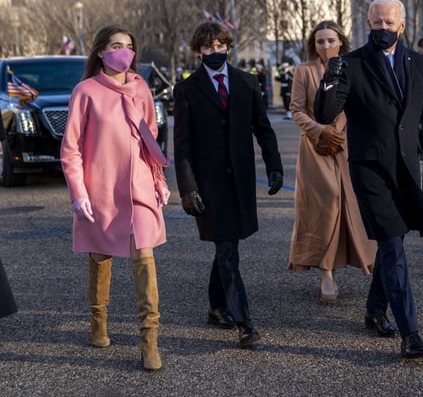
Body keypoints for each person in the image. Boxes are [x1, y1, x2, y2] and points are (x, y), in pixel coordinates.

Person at [314, 0, 423, 360]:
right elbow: (326, 112)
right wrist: (331, 76)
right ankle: (410, 332)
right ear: (368, 24)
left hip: (405, 168)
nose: (382, 28)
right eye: (376, 22)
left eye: (389, 22)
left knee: (393, 242)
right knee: (393, 245)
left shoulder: (418, 63)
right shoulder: (351, 63)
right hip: (369, 168)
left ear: (402, 26)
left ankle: (373, 309)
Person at [61, 25, 170, 371]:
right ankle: (98, 320)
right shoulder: (86, 91)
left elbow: (150, 138)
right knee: (101, 256)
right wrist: (78, 192)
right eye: (116, 45)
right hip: (101, 190)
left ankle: (149, 340)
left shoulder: (140, 88)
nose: (124, 51)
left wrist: (159, 180)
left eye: (129, 46)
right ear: (100, 52)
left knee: (144, 257)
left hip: (138, 187)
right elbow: (71, 148)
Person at [173, 22, 284, 349]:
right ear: (198, 51)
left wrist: (274, 166)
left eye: (221, 45)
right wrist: (187, 187)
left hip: (241, 181)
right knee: (227, 251)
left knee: (228, 248)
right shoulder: (188, 90)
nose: (215, 51)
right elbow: (182, 147)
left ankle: (216, 306)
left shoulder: (247, 82)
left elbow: (263, 128)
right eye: (208, 47)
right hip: (208, 185)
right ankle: (244, 321)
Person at [288, 21, 376, 301]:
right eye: (320, 41)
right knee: (328, 203)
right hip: (315, 148)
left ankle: (362, 258)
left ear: (341, 42)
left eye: (330, 40)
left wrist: (345, 131)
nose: (325, 45)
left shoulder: (354, 67)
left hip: (348, 145)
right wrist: (320, 130)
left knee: (350, 204)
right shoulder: (303, 71)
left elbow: (363, 105)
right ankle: (326, 271)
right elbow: (296, 110)